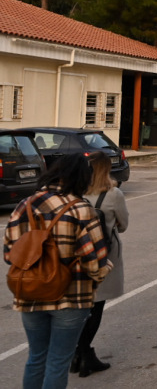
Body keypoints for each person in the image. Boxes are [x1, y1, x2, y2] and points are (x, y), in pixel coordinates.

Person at [3, 153, 113, 389]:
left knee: (36, 357)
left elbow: (9, 253)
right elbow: (94, 264)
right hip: (71, 296)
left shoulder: (27, 205)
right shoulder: (81, 210)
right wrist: (105, 270)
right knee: (58, 361)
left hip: (30, 292)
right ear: (83, 177)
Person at [73, 152, 129, 377]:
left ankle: (77, 354)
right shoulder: (113, 194)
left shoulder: (76, 191)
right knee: (96, 305)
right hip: (104, 253)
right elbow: (123, 225)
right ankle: (86, 355)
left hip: (78, 252)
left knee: (80, 304)